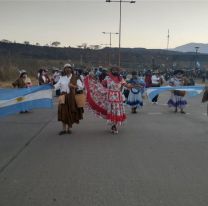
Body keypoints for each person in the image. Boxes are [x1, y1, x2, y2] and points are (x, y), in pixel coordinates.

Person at [85, 66, 126, 134]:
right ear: (111, 71)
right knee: (112, 111)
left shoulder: (120, 78)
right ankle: (113, 126)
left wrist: (133, 86)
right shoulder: (108, 78)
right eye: (113, 70)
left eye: (116, 70)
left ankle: (115, 125)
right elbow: (101, 85)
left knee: (117, 111)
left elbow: (125, 85)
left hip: (118, 98)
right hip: (110, 97)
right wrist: (94, 81)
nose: (114, 71)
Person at [54, 64, 83, 135]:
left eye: (69, 68)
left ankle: (69, 128)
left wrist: (73, 86)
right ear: (64, 70)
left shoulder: (75, 78)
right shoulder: (61, 78)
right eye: (66, 68)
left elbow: (81, 87)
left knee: (70, 112)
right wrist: (50, 86)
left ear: (71, 69)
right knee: (62, 112)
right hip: (62, 96)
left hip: (71, 97)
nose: (67, 69)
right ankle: (64, 129)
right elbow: (56, 86)